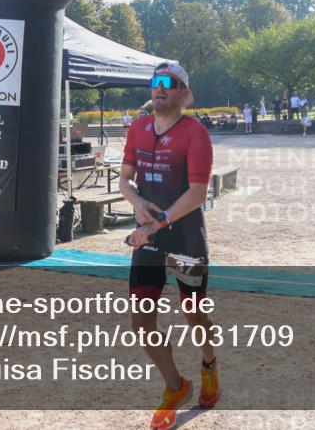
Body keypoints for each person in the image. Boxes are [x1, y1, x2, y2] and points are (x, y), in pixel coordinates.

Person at [120, 62, 220, 429]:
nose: (159, 88)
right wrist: (136, 203)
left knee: (194, 314)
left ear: (182, 93)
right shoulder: (137, 128)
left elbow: (197, 193)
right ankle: (175, 386)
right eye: (155, 82)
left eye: (169, 83)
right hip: (148, 238)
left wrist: (159, 222)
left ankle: (208, 361)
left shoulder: (195, 133)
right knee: (141, 321)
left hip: (186, 238)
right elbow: (125, 180)